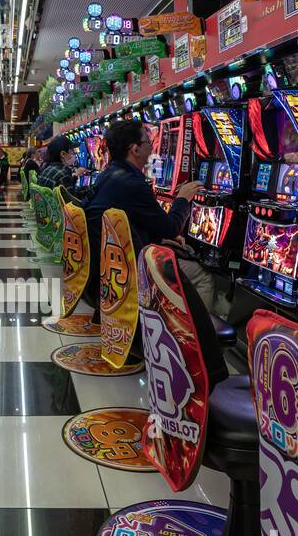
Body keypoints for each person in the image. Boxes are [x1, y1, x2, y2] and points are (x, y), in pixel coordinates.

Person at [82, 118, 226, 386]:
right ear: (135, 149)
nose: (153, 147)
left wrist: (154, 240)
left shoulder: (109, 173)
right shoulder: (133, 183)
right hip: (133, 265)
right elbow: (172, 227)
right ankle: (194, 350)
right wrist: (183, 197)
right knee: (203, 274)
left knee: (180, 255)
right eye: (148, 142)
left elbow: (121, 218)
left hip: (111, 262)